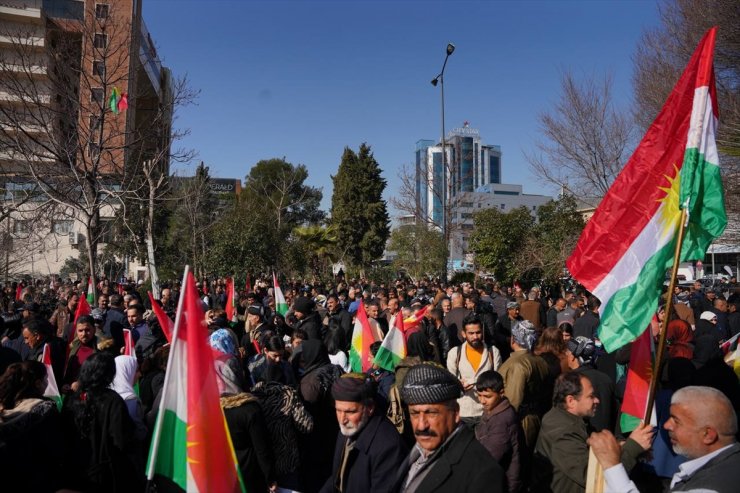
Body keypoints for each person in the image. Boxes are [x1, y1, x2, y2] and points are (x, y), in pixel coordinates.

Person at [590, 386, 740, 493]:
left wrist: (612, 466)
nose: (667, 425)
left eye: (676, 420)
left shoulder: (710, 487)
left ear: (708, 435)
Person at [531, 372, 652, 493]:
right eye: (591, 396)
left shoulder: (571, 421)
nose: (597, 400)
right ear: (571, 401)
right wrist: (633, 447)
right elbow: (590, 476)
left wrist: (621, 446)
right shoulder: (563, 431)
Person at [396, 362, 505, 492]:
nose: (421, 425)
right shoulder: (416, 452)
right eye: (414, 413)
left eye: (431, 413)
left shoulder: (483, 473)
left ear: (456, 413)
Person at [60, 352, 144, 491]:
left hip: (75, 467)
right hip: (103, 471)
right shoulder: (112, 400)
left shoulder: (74, 397)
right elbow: (121, 438)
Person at [320, 374, 408, 493]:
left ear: (370, 408)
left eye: (350, 411)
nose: (342, 419)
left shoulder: (389, 447)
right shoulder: (347, 429)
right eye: (338, 410)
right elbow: (337, 478)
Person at [0, 360, 63, 492]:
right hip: (37, 476)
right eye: (46, 379)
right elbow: (54, 446)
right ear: (38, 383)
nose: (47, 383)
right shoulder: (44, 409)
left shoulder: (5, 406)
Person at [252, 363, 314, 491]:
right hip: (287, 462)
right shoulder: (287, 394)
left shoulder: (253, 397)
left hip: (263, 465)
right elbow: (306, 425)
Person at [497, 320, 549, 451]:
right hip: (537, 416)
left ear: (513, 339)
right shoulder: (540, 360)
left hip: (521, 422)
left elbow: (513, 400)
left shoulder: (518, 364)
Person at [446, 314, 501, 427]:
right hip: (464, 412)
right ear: (463, 334)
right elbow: (450, 383)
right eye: (471, 333)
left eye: (478, 332)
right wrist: (459, 385)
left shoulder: (493, 352)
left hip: (486, 412)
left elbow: (498, 381)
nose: (475, 336)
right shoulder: (455, 353)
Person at [474, 370, 522, 493]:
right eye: (479, 395)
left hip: (502, 483)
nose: (482, 401)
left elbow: (489, 459)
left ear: (501, 393)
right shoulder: (493, 408)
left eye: (487, 396)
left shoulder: (502, 421)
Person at [565, 336, 616, 432]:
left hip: (581, 439)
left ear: (572, 357)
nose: (566, 355)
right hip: (606, 438)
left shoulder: (570, 381)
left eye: (567, 352)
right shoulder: (606, 379)